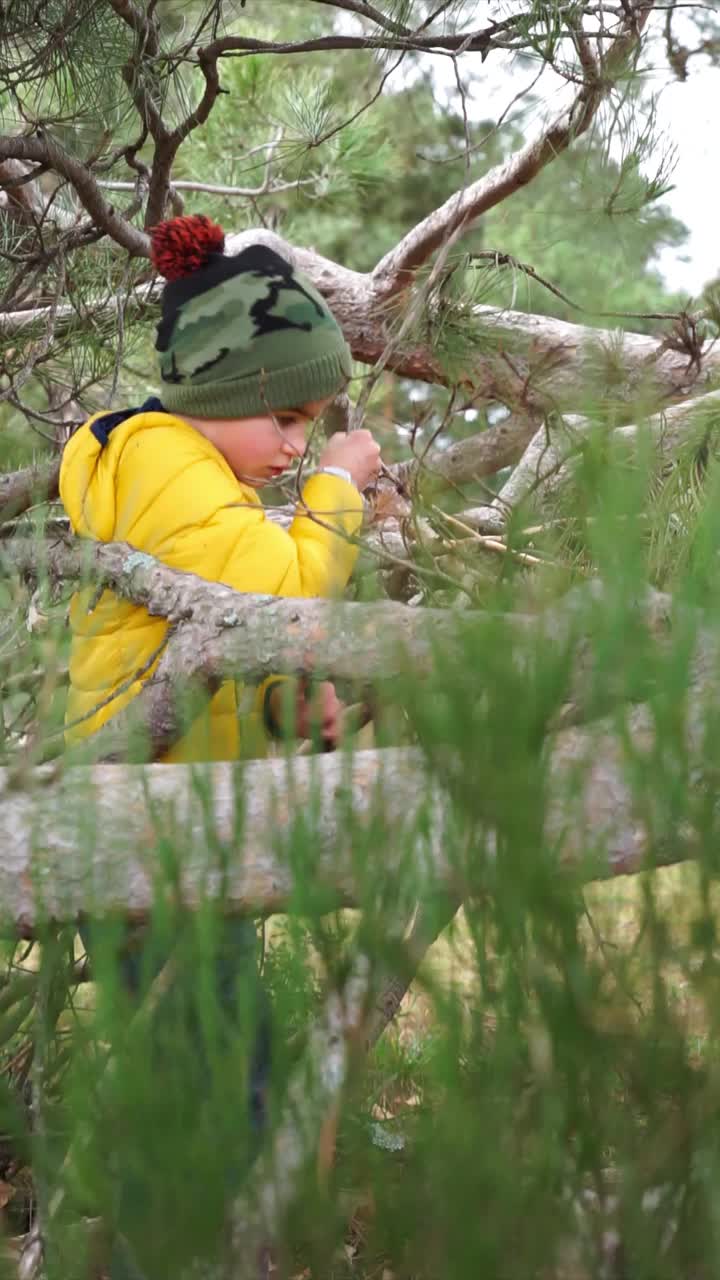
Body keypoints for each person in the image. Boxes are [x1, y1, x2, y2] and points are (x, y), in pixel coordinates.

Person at [58, 214, 381, 1277]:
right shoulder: (161, 461)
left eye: (310, 426)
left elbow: (207, 637)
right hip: (150, 834)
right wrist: (339, 485)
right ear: (218, 392)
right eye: (287, 417)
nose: (296, 443)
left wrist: (286, 708)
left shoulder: (193, 483)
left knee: (209, 1061)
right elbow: (284, 589)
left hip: (173, 828)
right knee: (209, 1075)